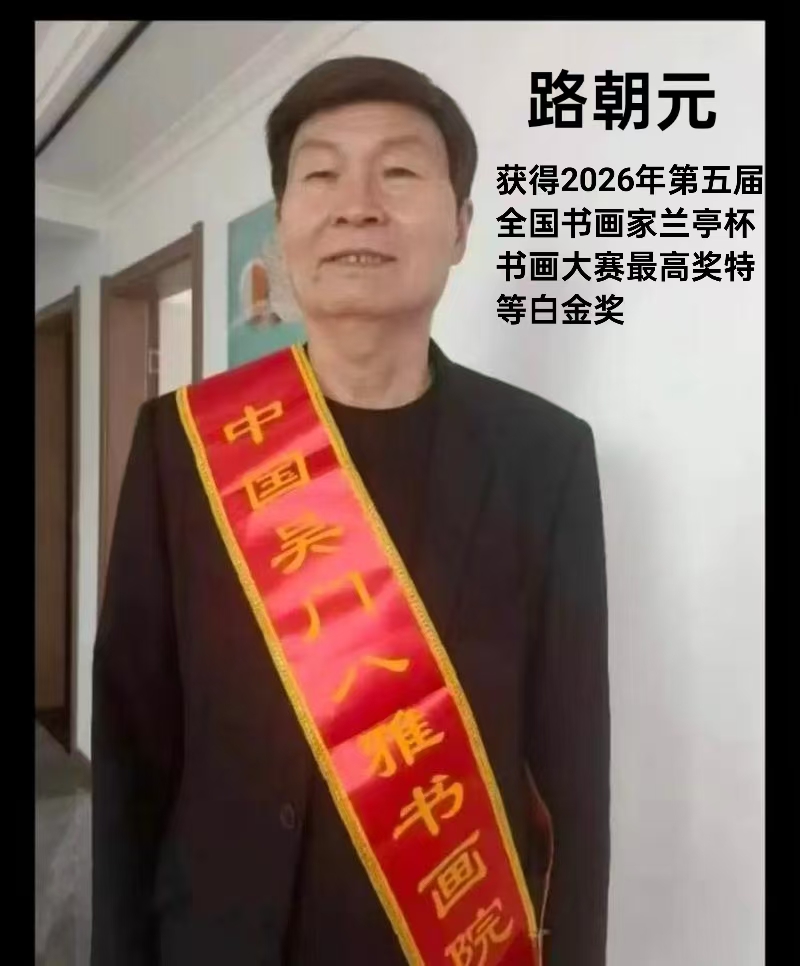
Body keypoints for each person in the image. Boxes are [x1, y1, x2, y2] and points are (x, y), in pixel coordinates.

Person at [91, 56, 610, 966]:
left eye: (399, 171)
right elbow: (135, 745)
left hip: (450, 940)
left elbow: (571, 771)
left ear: (461, 227)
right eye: (321, 174)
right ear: (282, 224)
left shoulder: (546, 456)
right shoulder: (183, 443)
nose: (357, 205)